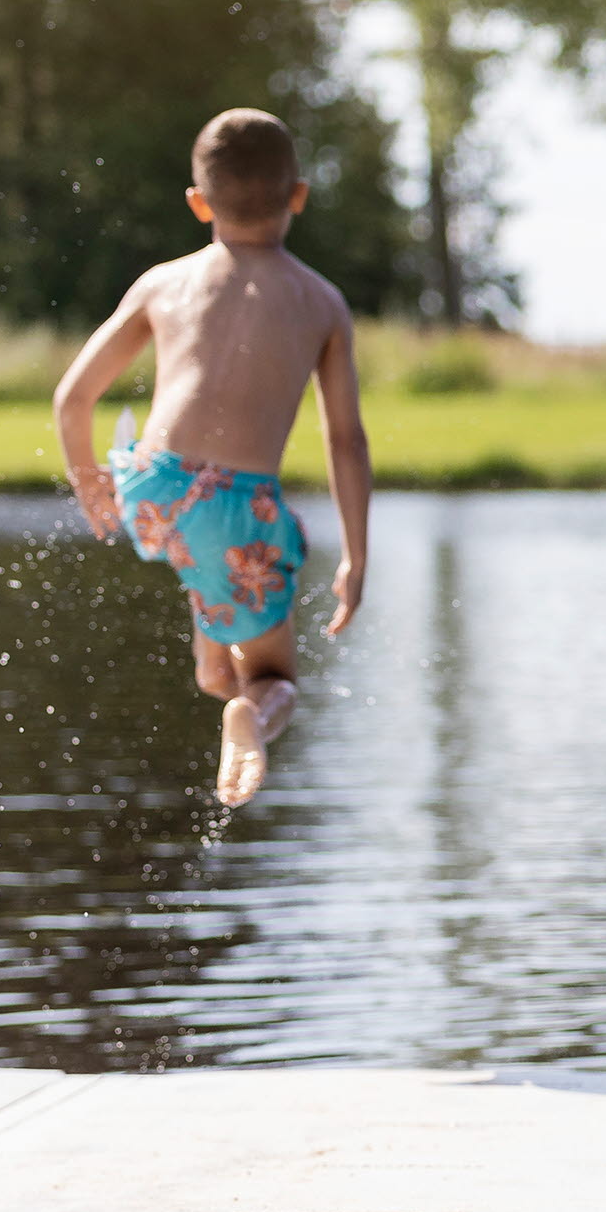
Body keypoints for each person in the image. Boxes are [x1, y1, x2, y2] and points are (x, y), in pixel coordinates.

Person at [53, 107, 371, 806]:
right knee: (271, 680)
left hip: (152, 486)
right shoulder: (320, 301)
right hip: (236, 509)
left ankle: (223, 678)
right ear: (299, 196)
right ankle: (251, 718)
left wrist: (92, 487)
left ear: (199, 204)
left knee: (215, 670)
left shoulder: (163, 282)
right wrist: (355, 555)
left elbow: (72, 398)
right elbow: (345, 440)